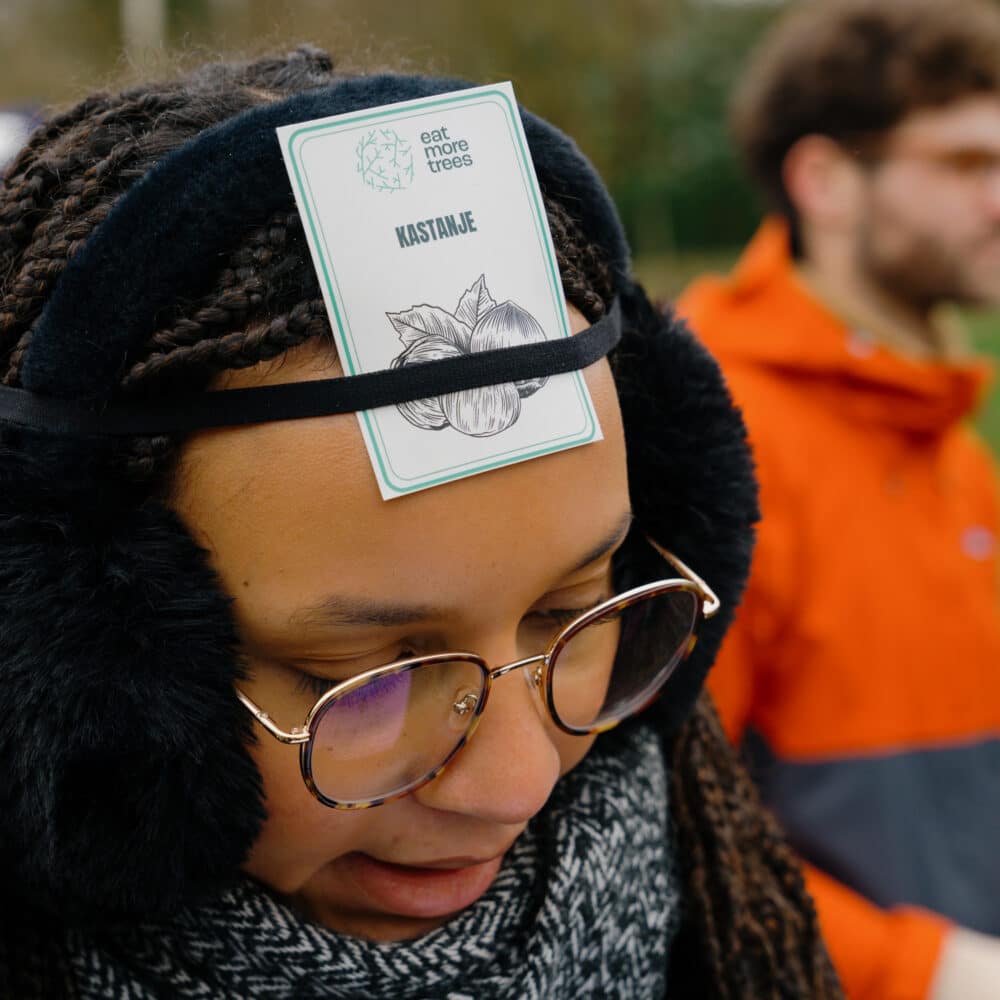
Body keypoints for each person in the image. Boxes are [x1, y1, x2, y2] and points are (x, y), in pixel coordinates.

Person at [0, 47, 840, 999]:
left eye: (569, 614)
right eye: (364, 679)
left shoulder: (721, 910)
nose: (518, 784)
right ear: (65, 666)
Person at [677, 2, 1000, 998]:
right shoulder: (714, 442)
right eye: (964, 162)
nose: (998, 196)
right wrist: (928, 974)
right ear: (823, 180)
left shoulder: (949, 440)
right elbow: (668, 828)